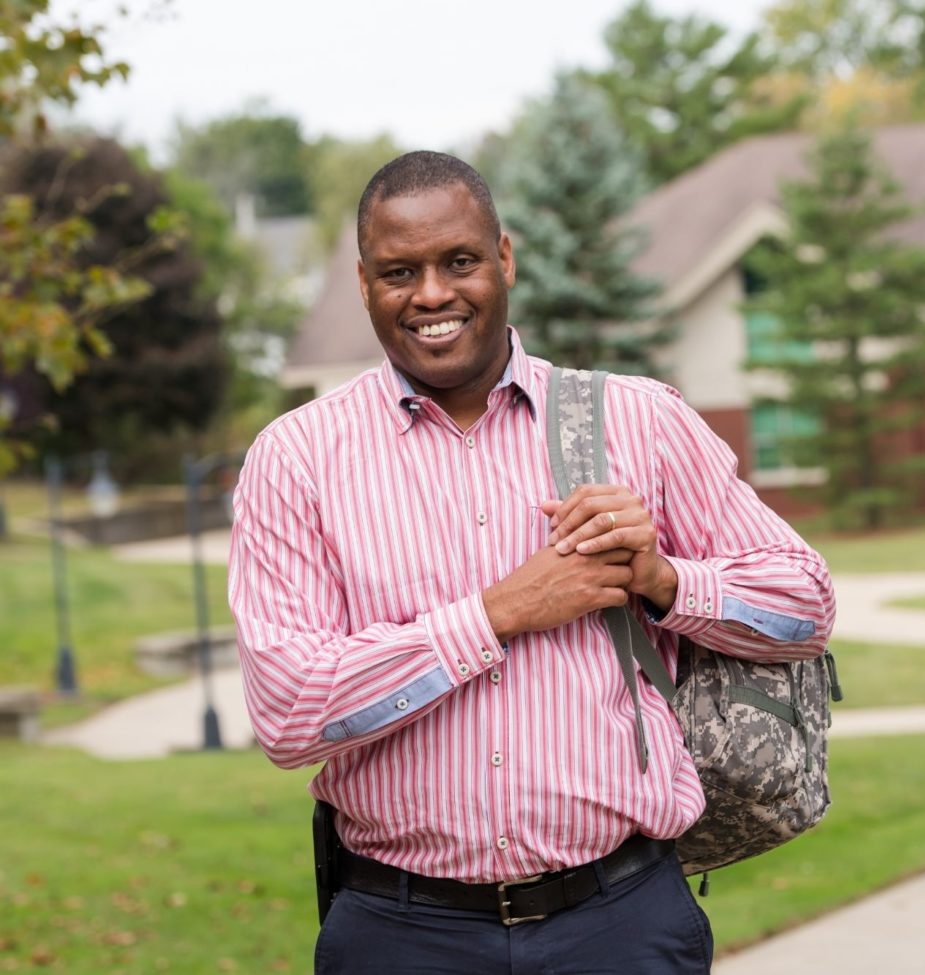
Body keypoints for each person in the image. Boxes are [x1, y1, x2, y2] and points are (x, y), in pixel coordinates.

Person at [229, 151, 836, 974]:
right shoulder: (296, 458)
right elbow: (290, 711)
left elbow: (805, 605)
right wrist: (500, 612)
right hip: (401, 933)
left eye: (460, 261)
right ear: (365, 283)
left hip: (620, 921)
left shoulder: (637, 419)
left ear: (504, 259)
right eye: (400, 271)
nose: (434, 294)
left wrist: (663, 581)